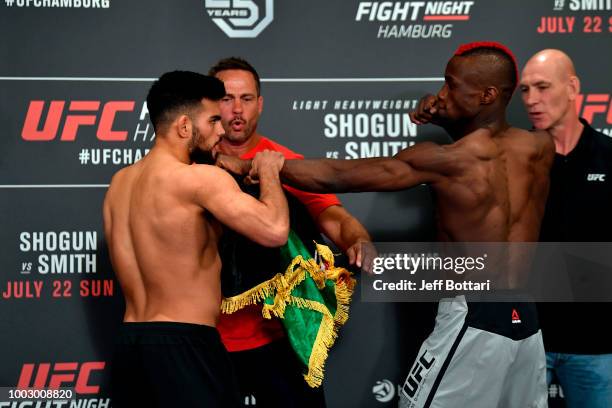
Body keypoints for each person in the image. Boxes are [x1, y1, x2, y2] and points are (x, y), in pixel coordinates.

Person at [219, 42, 554, 407]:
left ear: (487, 94)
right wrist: (449, 116)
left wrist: (260, 165)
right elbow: (491, 159)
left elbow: (337, 176)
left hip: (473, 317)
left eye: (451, 85)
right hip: (527, 321)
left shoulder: (447, 160)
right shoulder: (539, 147)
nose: (441, 94)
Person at [103, 71, 290, 408]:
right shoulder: (198, 180)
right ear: (185, 126)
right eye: (214, 119)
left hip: (131, 346)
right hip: (186, 347)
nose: (221, 129)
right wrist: (269, 172)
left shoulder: (119, 184)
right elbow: (274, 230)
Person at [208, 57, 372, 408]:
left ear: (261, 103)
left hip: (278, 337)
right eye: (226, 98)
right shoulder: (191, 168)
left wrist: (358, 239)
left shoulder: (284, 162)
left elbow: (335, 216)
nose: (237, 110)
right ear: (209, 103)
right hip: (208, 338)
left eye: (247, 99)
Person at [520, 49, 612, 407]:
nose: (531, 100)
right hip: (525, 341)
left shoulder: (608, 155)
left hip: (598, 346)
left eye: (542, 87)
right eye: (525, 90)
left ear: (572, 87)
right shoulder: (515, 161)